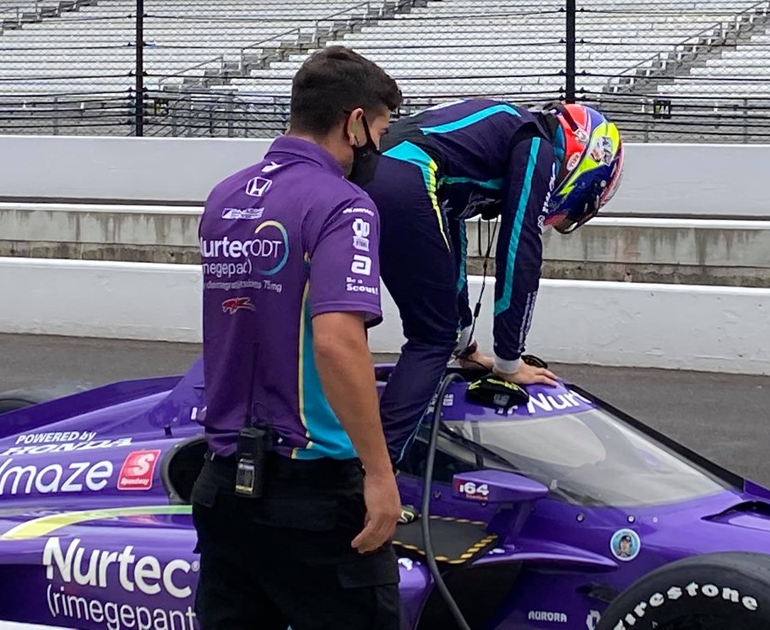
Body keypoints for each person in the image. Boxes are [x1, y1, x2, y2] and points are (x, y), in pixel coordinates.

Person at [192, 46, 403, 630]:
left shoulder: (224, 195)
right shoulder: (344, 204)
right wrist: (379, 474)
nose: (379, 148)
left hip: (223, 481)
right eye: (381, 131)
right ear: (355, 123)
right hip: (313, 488)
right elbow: (337, 342)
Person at [351, 98, 625, 467]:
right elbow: (520, 247)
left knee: (342, 320)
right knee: (432, 338)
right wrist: (510, 361)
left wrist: (465, 344)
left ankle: (335, 447)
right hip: (404, 176)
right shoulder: (537, 143)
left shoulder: (498, 136)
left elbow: (450, 239)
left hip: (366, 170)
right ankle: (377, 474)